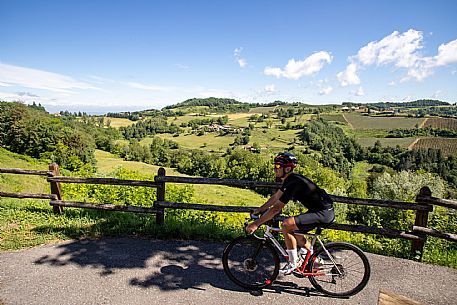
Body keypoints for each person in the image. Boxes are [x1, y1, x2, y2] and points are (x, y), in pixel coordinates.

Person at [245, 152, 335, 275]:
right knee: (295, 231)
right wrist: (260, 209)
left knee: (286, 224)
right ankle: (314, 258)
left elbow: (276, 208)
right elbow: (276, 197)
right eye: (275, 166)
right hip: (321, 211)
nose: (274, 169)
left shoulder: (293, 183)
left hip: (323, 213)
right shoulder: (291, 180)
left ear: (287, 168)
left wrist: (256, 224)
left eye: (277, 166)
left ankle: (293, 263)